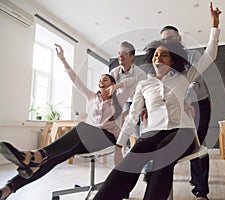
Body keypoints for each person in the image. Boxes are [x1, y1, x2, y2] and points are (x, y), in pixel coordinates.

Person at [93, 3, 221, 200]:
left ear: (172, 60)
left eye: (164, 54)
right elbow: (133, 115)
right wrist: (119, 145)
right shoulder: (144, 84)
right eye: (155, 55)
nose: (158, 57)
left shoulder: (183, 77)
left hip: (182, 132)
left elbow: (209, 55)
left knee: (163, 155)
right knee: (131, 161)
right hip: (153, 132)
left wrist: (214, 24)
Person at [0, 44, 137, 200]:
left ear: (111, 84)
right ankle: (8, 188)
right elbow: (75, 80)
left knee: (82, 127)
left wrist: (118, 86)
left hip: (107, 138)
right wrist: (63, 59)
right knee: (54, 158)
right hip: (86, 140)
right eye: (99, 80)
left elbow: (133, 81)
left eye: (105, 80)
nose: (100, 82)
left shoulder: (119, 98)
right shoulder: (92, 97)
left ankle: (37, 154)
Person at [160, 21, 214, 200]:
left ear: (179, 38)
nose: (167, 42)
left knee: (199, 144)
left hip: (199, 103)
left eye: (170, 38)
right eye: (163, 40)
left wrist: (184, 98)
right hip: (178, 106)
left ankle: (201, 190)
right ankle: (194, 178)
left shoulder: (192, 55)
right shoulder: (166, 59)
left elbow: (194, 82)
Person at [110, 41, 147, 140]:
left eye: (124, 53)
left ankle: (138, 141)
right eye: (119, 53)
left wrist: (126, 113)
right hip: (120, 103)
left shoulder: (141, 75)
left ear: (132, 57)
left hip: (137, 102)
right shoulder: (113, 73)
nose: (120, 56)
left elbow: (141, 98)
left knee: (135, 115)